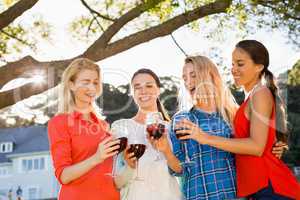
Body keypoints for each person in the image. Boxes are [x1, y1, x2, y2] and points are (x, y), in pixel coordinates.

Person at [176, 41, 299, 199]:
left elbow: (256, 146)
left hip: (271, 186)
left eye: (240, 64)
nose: (234, 69)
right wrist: (274, 145)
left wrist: (205, 137)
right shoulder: (242, 105)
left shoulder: (260, 93)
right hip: (256, 190)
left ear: (259, 66)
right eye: (233, 64)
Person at [47, 58, 120, 200]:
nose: (92, 88)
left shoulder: (103, 125)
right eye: (86, 82)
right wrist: (96, 158)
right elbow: (63, 176)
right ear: (71, 84)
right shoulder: (59, 123)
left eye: (95, 83)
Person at [112, 68, 182, 200]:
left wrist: (166, 151)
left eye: (149, 85)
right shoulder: (121, 127)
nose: (143, 91)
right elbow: (116, 182)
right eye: (137, 87)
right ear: (132, 93)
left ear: (158, 90)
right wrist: (130, 166)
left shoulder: (173, 128)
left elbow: (181, 170)